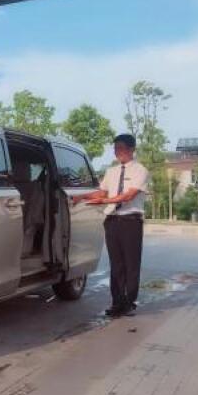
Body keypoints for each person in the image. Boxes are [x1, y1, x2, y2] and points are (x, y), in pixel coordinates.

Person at [73, 134, 149, 318]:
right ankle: (117, 302)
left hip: (130, 221)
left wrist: (104, 201)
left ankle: (129, 302)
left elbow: (128, 196)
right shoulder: (111, 171)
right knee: (116, 265)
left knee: (131, 264)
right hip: (112, 221)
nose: (117, 152)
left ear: (131, 149)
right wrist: (82, 197)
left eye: (121, 148)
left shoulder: (140, 171)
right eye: (115, 149)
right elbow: (102, 192)